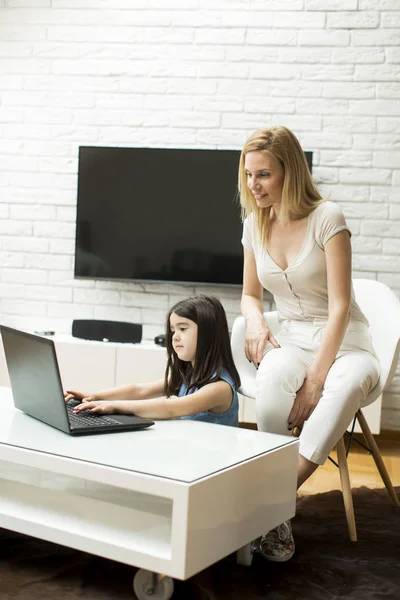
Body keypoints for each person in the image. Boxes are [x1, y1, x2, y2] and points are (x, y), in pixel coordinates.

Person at [239, 126, 380, 562]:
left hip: (348, 342)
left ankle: (272, 502)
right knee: (275, 372)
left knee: (346, 383)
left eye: (263, 175)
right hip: (294, 338)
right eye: (248, 175)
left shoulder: (327, 218)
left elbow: (340, 307)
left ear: (290, 172)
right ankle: (274, 513)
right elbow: (249, 294)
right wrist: (255, 323)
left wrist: (316, 381)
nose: (253, 185)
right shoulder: (253, 223)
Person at [64, 295, 240, 427]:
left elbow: (172, 407)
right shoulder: (189, 376)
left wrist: (112, 406)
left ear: (208, 335)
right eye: (173, 330)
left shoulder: (220, 388)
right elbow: (140, 390)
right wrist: (93, 396)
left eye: (183, 329)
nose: (175, 337)